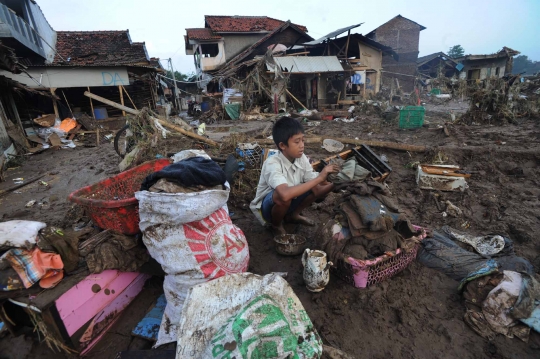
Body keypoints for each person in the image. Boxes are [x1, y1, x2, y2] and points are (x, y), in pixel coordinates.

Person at [250, 117, 340, 235]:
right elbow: (285, 194)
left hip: (288, 201)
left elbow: (317, 191)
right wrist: (319, 178)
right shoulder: (272, 163)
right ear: (282, 145)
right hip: (267, 210)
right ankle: (276, 225)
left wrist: (336, 184)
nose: (302, 145)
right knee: (282, 196)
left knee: (311, 185)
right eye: (297, 142)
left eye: (303, 140)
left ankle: (293, 215)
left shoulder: (301, 158)